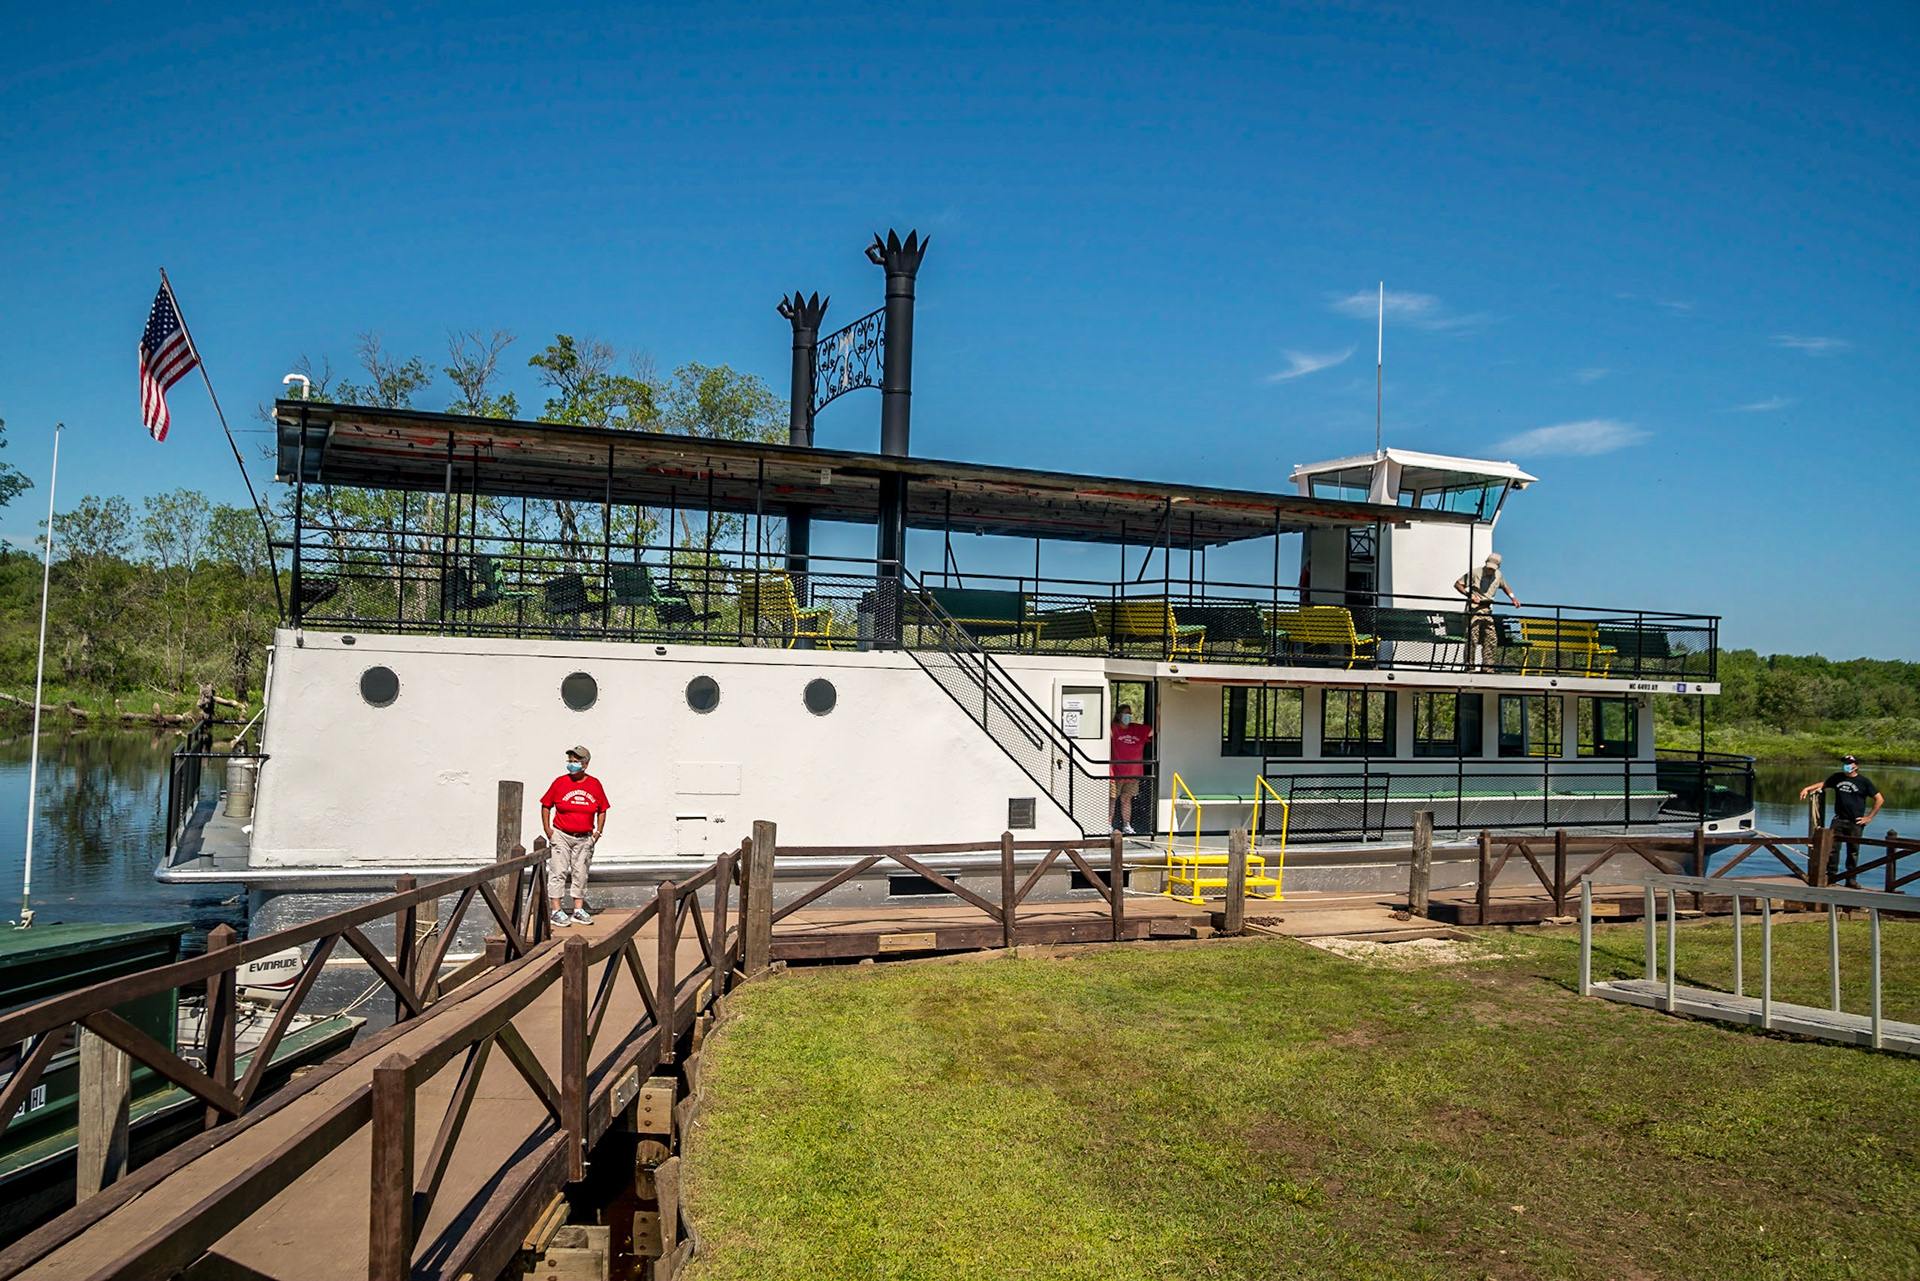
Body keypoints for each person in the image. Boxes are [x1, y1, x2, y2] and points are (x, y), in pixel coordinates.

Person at [541, 745, 610, 927]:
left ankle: (578, 910)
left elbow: (602, 809)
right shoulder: (560, 782)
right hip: (562, 835)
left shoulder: (594, 784)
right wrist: (548, 830)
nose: (572, 765)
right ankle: (556, 910)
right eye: (570, 761)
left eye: (576, 761)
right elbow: (546, 804)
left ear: (585, 764)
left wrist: (598, 833)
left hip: (584, 837)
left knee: (581, 872)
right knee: (558, 871)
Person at [1798, 755, 1883, 887]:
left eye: (1849, 763)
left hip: (1855, 821)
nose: (1846, 765)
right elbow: (1824, 784)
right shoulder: (1837, 777)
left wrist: (1869, 817)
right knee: (1832, 849)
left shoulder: (1863, 782)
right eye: (1845, 763)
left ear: (1856, 766)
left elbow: (1879, 799)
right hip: (1839, 819)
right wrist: (1807, 788)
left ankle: (1850, 879)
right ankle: (1832, 877)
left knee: (1853, 851)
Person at [1454, 552, 1521, 673]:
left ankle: (1488, 666)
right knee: (1472, 637)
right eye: (1489, 568)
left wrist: (1513, 598)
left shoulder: (1499, 575)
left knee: (1491, 638)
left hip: (1487, 609)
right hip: (1474, 608)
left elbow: (1505, 586)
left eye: (1493, 569)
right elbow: (1458, 584)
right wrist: (1470, 595)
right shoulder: (1475, 573)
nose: (1490, 571)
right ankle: (1470, 666)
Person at [1109, 703, 1153, 835]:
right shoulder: (1113, 728)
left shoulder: (1137, 729)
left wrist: (1159, 712)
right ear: (1118, 715)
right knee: (1112, 799)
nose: (1128, 716)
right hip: (1115, 772)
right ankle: (1108, 824)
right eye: (1125, 713)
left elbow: (1154, 730)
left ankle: (1126, 825)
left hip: (1133, 773)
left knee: (1126, 799)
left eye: (1129, 713)